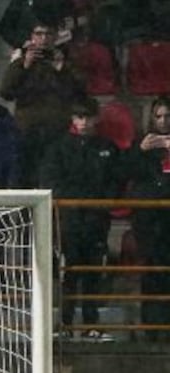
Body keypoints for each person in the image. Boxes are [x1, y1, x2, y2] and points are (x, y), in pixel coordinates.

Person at [39, 98, 123, 341]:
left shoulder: (107, 148)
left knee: (93, 273)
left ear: (96, 119)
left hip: (97, 221)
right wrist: (73, 204)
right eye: (79, 117)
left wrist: (102, 204)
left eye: (88, 117)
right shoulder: (58, 148)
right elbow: (51, 181)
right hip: (69, 221)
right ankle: (64, 324)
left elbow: (115, 182)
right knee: (69, 273)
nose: (84, 122)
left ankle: (91, 324)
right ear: (73, 120)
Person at [0, 20, 86, 186]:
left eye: (48, 34)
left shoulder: (66, 63)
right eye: (39, 34)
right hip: (27, 131)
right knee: (22, 178)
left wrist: (61, 70)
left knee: (51, 179)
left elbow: (79, 93)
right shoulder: (21, 62)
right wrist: (24, 66)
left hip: (56, 131)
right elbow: (5, 92)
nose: (44, 38)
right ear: (32, 37)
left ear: (55, 37)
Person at [126, 97, 170, 341]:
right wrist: (140, 151)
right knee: (152, 276)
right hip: (150, 223)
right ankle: (153, 331)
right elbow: (124, 172)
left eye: (168, 116)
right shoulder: (140, 145)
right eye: (159, 116)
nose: (164, 121)